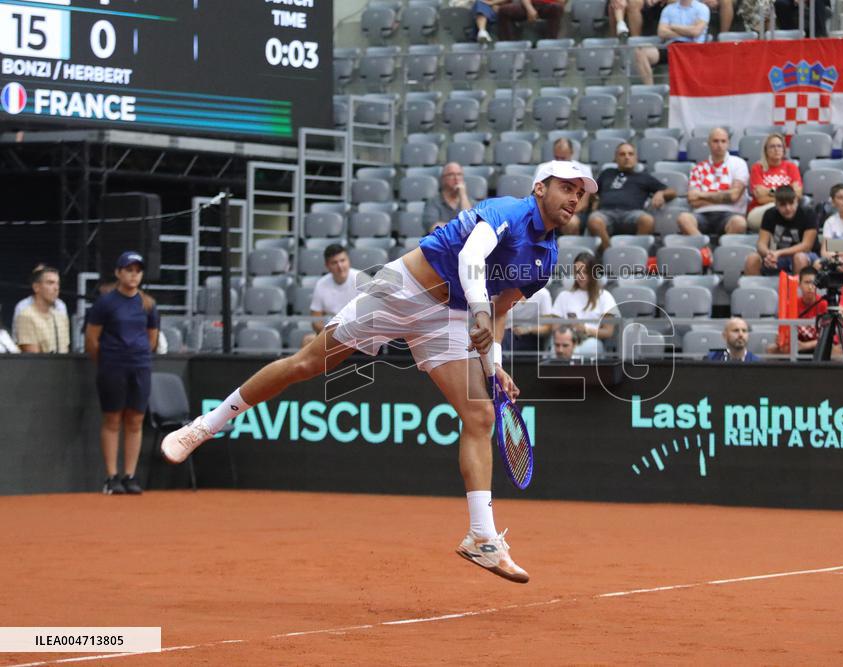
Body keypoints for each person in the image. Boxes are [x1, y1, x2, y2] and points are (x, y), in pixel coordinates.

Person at [161, 160, 599, 584]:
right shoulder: (506, 211)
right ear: (540, 188)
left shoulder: (546, 257)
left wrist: (495, 365)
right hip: (401, 290)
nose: (574, 199)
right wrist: (481, 313)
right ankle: (205, 425)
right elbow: (471, 256)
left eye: (580, 194)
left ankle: (482, 537)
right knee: (307, 364)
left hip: (446, 316)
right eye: (566, 187)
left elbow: (500, 311)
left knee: (480, 415)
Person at [84, 252, 160, 495]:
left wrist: (137, 357)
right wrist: (107, 360)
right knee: (113, 419)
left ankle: (130, 476)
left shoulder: (148, 304)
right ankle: (111, 477)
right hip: (112, 367)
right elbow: (92, 339)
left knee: (136, 420)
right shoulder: (105, 303)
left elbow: (152, 338)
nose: (133, 274)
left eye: (137, 270)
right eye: (128, 270)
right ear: (118, 273)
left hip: (140, 366)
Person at [589, 142, 675, 251]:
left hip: (632, 214)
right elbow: (593, 192)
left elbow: (672, 191)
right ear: (615, 158)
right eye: (622, 154)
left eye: (630, 154)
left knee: (647, 220)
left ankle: (634, 254)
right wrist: (594, 199)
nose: (627, 157)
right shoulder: (607, 173)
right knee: (594, 221)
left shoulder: (644, 177)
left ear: (636, 158)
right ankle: (609, 253)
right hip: (606, 213)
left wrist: (661, 193)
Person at [678, 127, 749, 237]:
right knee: (683, 218)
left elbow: (734, 196)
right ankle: (704, 248)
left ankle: (723, 251)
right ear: (709, 143)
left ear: (728, 143)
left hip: (730, 214)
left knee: (740, 223)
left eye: (723, 141)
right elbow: (693, 201)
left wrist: (701, 195)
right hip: (702, 214)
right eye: (715, 141)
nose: (719, 145)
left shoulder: (739, 164)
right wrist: (724, 197)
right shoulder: (698, 168)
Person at [550, 252, 620, 357]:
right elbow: (554, 327)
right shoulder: (564, 296)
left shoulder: (604, 296)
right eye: (577, 272)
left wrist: (585, 329)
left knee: (579, 351)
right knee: (555, 350)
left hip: (591, 340)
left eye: (585, 272)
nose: (581, 276)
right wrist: (568, 327)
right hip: (566, 339)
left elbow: (608, 332)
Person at [744, 185, 819, 276]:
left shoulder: (808, 213)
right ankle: (756, 289)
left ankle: (796, 289)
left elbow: (806, 246)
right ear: (776, 204)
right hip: (779, 257)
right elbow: (761, 243)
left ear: (797, 201)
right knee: (752, 259)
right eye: (783, 205)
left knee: (799, 257)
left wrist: (778, 253)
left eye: (791, 203)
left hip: (806, 255)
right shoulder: (770, 214)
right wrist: (769, 254)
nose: (788, 208)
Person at [633, 0, 709, 85]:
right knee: (640, 51)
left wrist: (672, 27)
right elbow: (661, 32)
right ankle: (650, 89)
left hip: (692, 48)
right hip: (671, 47)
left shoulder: (702, 8)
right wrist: (687, 31)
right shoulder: (669, 9)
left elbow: (696, 31)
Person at [747, 133, 803, 232]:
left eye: (779, 146)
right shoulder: (757, 168)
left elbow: (797, 194)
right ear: (766, 150)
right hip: (759, 211)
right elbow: (760, 198)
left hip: (787, 209)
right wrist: (786, 194)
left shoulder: (791, 167)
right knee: (776, 210)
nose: (776, 149)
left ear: (784, 150)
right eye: (772, 146)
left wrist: (769, 191)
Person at [767, 266, 828, 356]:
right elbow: (786, 333)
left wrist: (805, 345)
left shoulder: (824, 305)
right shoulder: (790, 305)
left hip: (818, 345)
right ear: (799, 284)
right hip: (796, 345)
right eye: (807, 283)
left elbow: (830, 338)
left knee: (835, 349)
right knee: (771, 349)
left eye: (813, 283)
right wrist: (782, 339)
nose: (810, 287)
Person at [309, 244, 366, 333]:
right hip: (330, 333)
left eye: (343, 260)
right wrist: (331, 334)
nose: (340, 266)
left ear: (349, 261)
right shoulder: (321, 284)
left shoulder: (362, 279)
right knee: (307, 340)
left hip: (358, 331)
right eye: (334, 263)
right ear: (327, 266)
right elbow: (316, 320)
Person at [15, 266, 70, 354]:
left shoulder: (61, 317)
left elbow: (65, 350)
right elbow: (34, 359)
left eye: (58, 283)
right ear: (36, 287)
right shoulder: (26, 316)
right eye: (50, 283)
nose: (56, 288)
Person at [546, 138, 590, 235]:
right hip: (549, 210)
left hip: (574, 212)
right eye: (557, 158)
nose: (560, 161)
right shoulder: (544, 169)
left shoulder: (584, 170)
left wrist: (562, 212)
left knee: (571, 222)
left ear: (571, 153)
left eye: (563, 158)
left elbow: (583, 203)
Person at [423, 162, 476, 233]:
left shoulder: (470, 202)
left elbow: (470, 225)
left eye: (459, 174)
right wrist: (461, 227)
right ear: (443, 179)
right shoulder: (433, 202)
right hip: (440, 243)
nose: (456, 178)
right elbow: (433, 228)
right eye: (451, 174)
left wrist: (463, 195)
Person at [497, 0, 565, 40]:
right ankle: (509, 46)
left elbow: (561, 2)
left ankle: (551, 43)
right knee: (504, 10)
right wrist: (529, 8)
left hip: (549, 6)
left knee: (557, 8)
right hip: (530, 4)